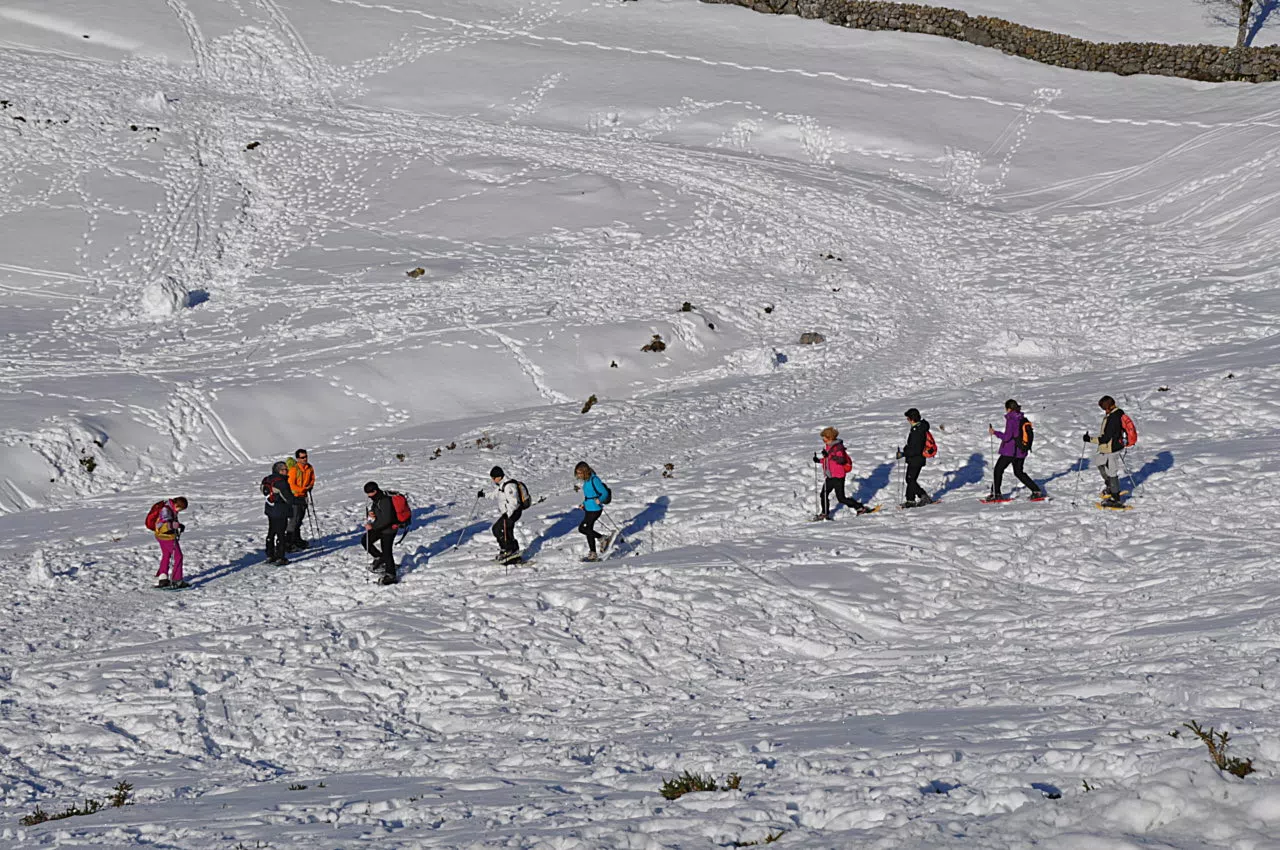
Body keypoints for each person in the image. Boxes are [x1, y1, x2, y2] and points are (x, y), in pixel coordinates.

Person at [987, 400, 1045, 501]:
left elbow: (1007, 437)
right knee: (1018, 472)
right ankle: (1036, 491)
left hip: (1010, 451)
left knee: (998, 470)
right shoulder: (1021, 417)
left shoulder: (1011, 419)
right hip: (1021, 450)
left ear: (1008, 409)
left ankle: (996, 494)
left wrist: (995, 432)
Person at [813, 426, 871, 519]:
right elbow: (828, 460)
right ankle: (824, 513)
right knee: (823, 494)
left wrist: (829, 455)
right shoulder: (828, 446)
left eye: (825, 439)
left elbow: (841, 460)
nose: (823, 441)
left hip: (838, 477)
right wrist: (819, 460)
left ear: (830, 438)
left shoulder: (838, 448)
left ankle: (860, 508)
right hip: (830, 476)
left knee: (841, 498)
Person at [1084, 395, 1127, 507]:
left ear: (1108, 406)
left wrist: (1090, 439)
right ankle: (1110, 485)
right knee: (1099, 462)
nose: (1104, 411)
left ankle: (1116, 499)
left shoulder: (1113, 418)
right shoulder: (1116, 413)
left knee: (1112, 472)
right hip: (1108, 448)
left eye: (1104, 408)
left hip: (1112, 449)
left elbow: (1105, 438)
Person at [897, 408, 934, 508]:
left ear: (912, 419)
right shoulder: (920, 427)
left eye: (908, 418)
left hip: (916, 459)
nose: (907, 420)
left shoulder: (917, 431)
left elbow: (915, 449)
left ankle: (923, 496)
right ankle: (910, 500)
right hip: (916, 459)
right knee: (910, 479)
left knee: (911, 480)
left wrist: (903, 453)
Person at [574, 461, 611, 562]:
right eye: (577, 473)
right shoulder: (586, 481)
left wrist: (600, 499)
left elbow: (604, 493)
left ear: (585, 471)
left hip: (595, 509)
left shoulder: (595, 479)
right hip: (589, 508)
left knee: (582, 528)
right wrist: (584, 504)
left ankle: (602, 538)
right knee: (588, 530)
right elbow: (589, 495)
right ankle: (593, 554)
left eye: (580, 473)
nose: (578, 475)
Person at [363, 481, 398, 585]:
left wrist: (372, 526)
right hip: (380, 528)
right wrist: (372, 513)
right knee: (365, 540)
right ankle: (380, 558)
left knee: (387, 551)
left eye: (369, 493)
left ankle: (391, 575)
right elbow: (378, 511)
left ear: (375, 491)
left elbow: (387, 519)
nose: (368, 496)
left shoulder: (384, 500)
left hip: (389, 529)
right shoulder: (377, 498)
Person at [262, 461, 295, 565]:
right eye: (284, 469)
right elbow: (288, 498)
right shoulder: (281, 482)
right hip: (280, 511)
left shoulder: (267, 479)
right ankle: (280, 557)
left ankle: (270, 555)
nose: (286, 471)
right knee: (281, 534)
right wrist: (300, 500)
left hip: (270, 509)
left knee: (271, 532)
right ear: (279, 471)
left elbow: (263, 491)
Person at [154, 497, 189, 588]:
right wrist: (173, 525)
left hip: (161, 536)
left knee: (166, 555)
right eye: (180, 509)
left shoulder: (169, 507)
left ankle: (163, 578)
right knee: (178, 556)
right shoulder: (166, 510)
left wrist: (179, 525)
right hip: (167, 537)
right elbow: (163, 524)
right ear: (176, 505)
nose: (179, 511)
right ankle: (177, 580)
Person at [490, 466, 523, 563]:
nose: (493, 480)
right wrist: (483, 495)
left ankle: (507, 550)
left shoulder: (509, 486)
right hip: (509, 513)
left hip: (513, 513)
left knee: (497, 529)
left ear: (499, 477)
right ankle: (514, 550)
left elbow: (514, 502)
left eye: (493, 478)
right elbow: (494, 494)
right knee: (507, 531)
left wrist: (507, 514)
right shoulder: (502, 485)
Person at [287, 448, 315, 551]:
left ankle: (296, 540)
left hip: (303, 497)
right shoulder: (294, 470)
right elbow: (291, 484)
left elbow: (312, 478)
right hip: (295, 497)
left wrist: (310, 486)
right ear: (298, 459)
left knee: (299, 519)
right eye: (302, 457)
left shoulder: (309, 468)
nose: (305, 459)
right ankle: (289, 543)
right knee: (294, 520)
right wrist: (303, 489)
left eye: (306, 456)